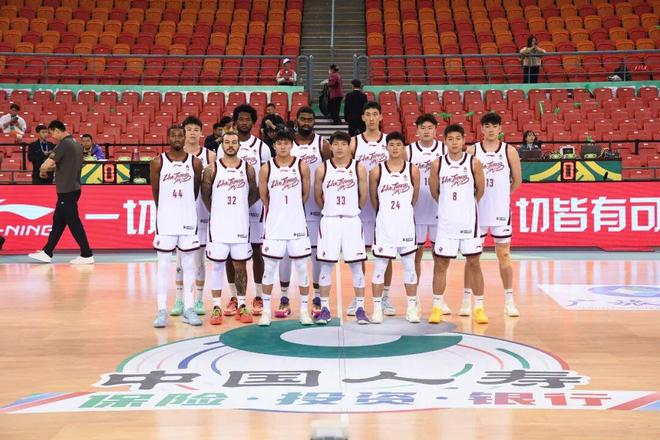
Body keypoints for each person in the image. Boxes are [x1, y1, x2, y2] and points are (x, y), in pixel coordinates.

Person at [428, 124, 487, 324]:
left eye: (457, 139)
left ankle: (479, 307)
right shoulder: (437, 164)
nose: (454, 143)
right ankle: (437, 307)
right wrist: (449, 207)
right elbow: (435, 192)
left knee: (474, 262)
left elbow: (480, 190)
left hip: (469, 221)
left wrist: (466, 205)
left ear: (463, 140)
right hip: (446, 223)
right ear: (445, 141)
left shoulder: (474, 162)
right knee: (441, 264)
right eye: (450, 139)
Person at [277, 107, 331, 319]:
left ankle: (316, 298)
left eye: (310, 119)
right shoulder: (287, 143)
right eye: (303, 119)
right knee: (286, 254)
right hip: (291, 208)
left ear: (314, 121)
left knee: (316, 254)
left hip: (315, 206)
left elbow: (330, 172)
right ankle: (284, 298)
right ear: (296, 120)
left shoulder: (322, 145)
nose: (306, 122)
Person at [201, 130, 260, 325]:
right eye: (227, 142)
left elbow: (254, 193)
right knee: (217, 266)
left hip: (240, 225)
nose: (231, 145)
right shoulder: (211, 169)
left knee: (241, 266)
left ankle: (242, 304)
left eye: (234, 142)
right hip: (218, 226)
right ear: (222, 145)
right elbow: (205, 196)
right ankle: (216, 307)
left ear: (239, 146)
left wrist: (240, 207)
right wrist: (218, 211)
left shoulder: (248, 169)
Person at [467, 113, 522, 318]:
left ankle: (509, 301)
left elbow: (517, 180)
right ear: (482, 128)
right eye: (487, 126)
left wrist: (503, 196)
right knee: (472, 258)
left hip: (500, 211)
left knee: (504, 255)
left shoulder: (509, 151)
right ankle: (467, 300)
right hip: (478, 211)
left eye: (494, 126)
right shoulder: (472, 151)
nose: (491, 129)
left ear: (500, 129)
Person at [257, 129, 313, 327]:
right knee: (269, 269)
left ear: (291, 145)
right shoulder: (266, 168)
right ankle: (265, 311)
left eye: (286, 143)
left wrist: (292, 208)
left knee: (302, 269)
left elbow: (305, 195)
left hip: (297, 225)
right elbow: (264, 197)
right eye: (279, 143)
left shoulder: (301, 165)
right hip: (274, 227)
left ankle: (304, 311)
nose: (282, 146)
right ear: (274, 146)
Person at [150, 125, 203, 328]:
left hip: (188, 219)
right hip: (166, 221)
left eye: (180, 135)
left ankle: (189, 308)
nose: (177, 138)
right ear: (168, 137)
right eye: (173, 135)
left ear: (184, 138)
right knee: (163, 266)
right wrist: (166, 209)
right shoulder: (158, 162)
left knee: (189, 265)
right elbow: (156, 191)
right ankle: (161, 310)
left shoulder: (195, 163)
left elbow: (195, 191)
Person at [315, 131, 369, 323]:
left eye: (343, 144)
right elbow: (317, 196)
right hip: (329, 220)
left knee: (356, 266)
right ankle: (324, 308)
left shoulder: (358, 168)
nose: (339, 147)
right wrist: (331, 210)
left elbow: (364, 195)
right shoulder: (322, 169)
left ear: (349, 147)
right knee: (326, 265)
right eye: (336, 144)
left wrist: (352, 209)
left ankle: (360, 308)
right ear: (330, 146)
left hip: (351, 220)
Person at [224, 104, 272, 316]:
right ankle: (235, 296)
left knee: (257, 249)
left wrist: (258, 198)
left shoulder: (262, 148)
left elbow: (267, 177)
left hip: (255, 205)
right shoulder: (225, 145)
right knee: (231, 251)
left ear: (253, 122)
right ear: (235, 122)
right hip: (231, 207)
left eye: (247, 119)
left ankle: (259, 295)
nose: (244, 122)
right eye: (240, 119)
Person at [349, 101, 395, 316]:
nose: (371, 118)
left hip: (384, 206)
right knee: (358, 254)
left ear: (381, 117)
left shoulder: (389, 142)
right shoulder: (354, 143)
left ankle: (385, 296)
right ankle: (358, 297)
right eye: (367, 114)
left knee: (386, 253)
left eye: (375, 114)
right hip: (360, 206)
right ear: (363, 118)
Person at [369, 131, 420, 323]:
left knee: (409, 267)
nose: (395, 148)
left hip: (406, 226)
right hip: (385, 227)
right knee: (379, 267)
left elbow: (414, 198)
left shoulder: (412, 170)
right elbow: (374, 199)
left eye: (399, 144)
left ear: (403, 147)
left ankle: (412, 308)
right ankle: (377, 309)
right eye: (392, 145)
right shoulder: (377, 170)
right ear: (386, 147)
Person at [27, 120, 94, 265]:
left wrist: (42, 171)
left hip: (66, 190)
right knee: (58, 222)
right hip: (74, 188)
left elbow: (46, 165)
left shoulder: (64, 144)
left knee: (74, 222)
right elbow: (64, 165)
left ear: (57, 130)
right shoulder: (76, 144)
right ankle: (47, 252)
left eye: (52, 133)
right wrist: (50, 169)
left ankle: (86, 254)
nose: (52, 137)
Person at [171, 116, 216, 318]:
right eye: (188, 129)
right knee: (180, 260)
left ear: (201, 133)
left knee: (199, 259)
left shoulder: (210, 156)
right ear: (184, 132)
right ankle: (179, 299)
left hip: (203, 211)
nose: (192, 133)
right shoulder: (175, 155)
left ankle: (198, 298)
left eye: (195, 129)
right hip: (181, 212)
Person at [406, 114, 446, 301]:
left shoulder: (444, 149)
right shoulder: (409, 151)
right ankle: (414, 299)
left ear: (436, 129)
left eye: (430, 128)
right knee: (416, 256)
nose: (426, 131)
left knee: (440, 258)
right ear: (417, 130)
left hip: (439, 210)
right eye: (423, 128)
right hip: (417, 210)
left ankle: (439, 299)